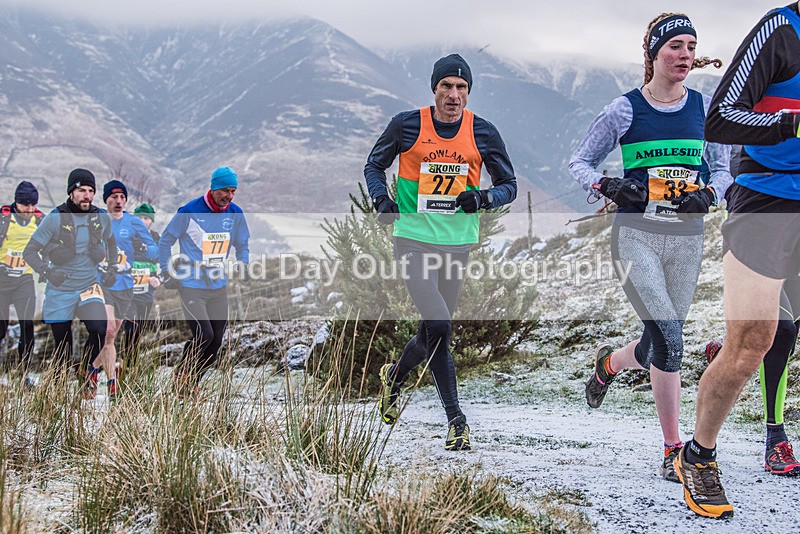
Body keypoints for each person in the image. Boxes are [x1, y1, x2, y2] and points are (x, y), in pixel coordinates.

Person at [568, 13, 730, 482]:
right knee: (672, 340)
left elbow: (722, 169)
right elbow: (580, 161)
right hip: (635, 236)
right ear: (654, 53)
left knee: (662, 341)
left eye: (690, 46)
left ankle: (610, 364)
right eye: (674, 46)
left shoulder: (704, 108)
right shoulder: (624, 109)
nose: (683, 55)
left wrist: (711, 194)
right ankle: (672, 449)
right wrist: (610, 185)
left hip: (686, 239)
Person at [675, 2, 800, 519]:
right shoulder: (782, 30)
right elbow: (720, 117)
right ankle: (698, 456)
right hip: (767, 198)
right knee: (752, 342)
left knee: (777, 331)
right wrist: (790, 124)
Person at [365, 53, 517, 451]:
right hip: (413, 238)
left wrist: (482, 198)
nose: (454, 94)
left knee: (432, 331)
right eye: (446, 86)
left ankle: (395, 377)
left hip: (457, 244)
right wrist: (382, 200)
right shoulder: (407, 124)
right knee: (442, 325)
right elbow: (373, 165)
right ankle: (457, 421)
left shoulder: (482, 132)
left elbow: (509, 185)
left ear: (469, 92)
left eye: (461, 87)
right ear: (434, 89)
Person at [158, 167, 250, 397]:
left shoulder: (235, 213)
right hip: (191, 284)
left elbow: (243, 244)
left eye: (233, 191)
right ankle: (183, 377)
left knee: (216, 341)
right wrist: (166, 270)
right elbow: (165, 242)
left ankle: (190, 381)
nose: (229, 196)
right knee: (204, 335)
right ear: (213, 188)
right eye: (225, 191)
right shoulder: (189, 211)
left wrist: (243, 263)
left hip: (218, 286)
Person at [23, 169, 117, 391]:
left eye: (91, 191)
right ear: (71, 192)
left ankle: (84, 372)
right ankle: (58, 391)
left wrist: (112, 268)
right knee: (63, 348)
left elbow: (111, 242)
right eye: (82, 190)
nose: (87, 195)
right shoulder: (55, 218)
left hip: (89, 285)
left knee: (100, 330)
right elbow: (30, 251)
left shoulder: (100, 217)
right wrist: (47, 272)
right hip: (60, 288)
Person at [705, 277, 800, 476]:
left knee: (784, 346)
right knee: (783, 330)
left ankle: (726, 360)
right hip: (761, 260)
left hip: (793, 260)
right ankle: (776, 439)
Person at [84, 181, 157, 400]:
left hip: (125, 285)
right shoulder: (96, 221)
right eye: (113, 197)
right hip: (102, 282)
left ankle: (92, 372)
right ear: (105, 200)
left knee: (112, 335)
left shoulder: (133, 222)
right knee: (106, 331)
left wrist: (142, 247)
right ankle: (111, 382)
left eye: (122, 198)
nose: (118, 201)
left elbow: (153, 249)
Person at [0, 182, 43, 384]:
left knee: (27, 325)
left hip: (24, 280)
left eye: (32, 205)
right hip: (2, 281)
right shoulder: (4, 219)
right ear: (17, 203)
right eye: (25, 205)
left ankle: (26, 373)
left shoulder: (39, 220)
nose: (29, 209)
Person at [121, 203, 161, 371]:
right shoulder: (126, 237)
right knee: (131, 327)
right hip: (126, 293)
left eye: (146, 218)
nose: (143, 221)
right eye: (139, 218)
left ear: (151, 221)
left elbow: (163, 263)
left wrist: (157, 279)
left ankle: (130, 367)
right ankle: (127, 366)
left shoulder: (156, 238)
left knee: (138, 332)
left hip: (146, 293)